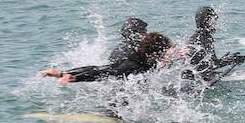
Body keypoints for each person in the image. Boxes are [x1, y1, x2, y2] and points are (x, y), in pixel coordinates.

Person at [40, 32, 173, 83]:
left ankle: (62, 73)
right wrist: (76, 78)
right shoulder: (132, 66)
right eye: (164, 51)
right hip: (118, 90)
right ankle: (67, 75)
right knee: (108, 72)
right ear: (154, 53)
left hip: (119, 68)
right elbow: (103, 72)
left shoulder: (143, 56)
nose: (166, 54)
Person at [183, 6, 245, 84]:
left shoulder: (197, 36)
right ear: (206, 21)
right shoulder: (205, 38)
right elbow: (213, 65)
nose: (215, 23)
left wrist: (226, 59)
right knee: (239, 74)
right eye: (213, 19)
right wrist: (231, 60)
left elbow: (209, 64)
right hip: (195, 79)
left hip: (189, 76)